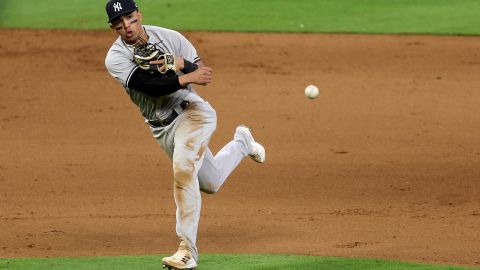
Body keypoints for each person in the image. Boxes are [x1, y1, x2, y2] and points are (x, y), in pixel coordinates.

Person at [104, 0, 266, 269]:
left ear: (138, 14)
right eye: (119, 23)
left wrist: (177, 63)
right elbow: (148, 86)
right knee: (210, 182)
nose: (127, 26)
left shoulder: (170, 37)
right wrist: (180, 72)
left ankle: (186, 251)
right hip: (161, 127)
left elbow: (201, 71)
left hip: (193, 113)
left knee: (183, 168)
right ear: (113, 27)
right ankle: (242, 143)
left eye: (130, 18)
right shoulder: (116, 57)